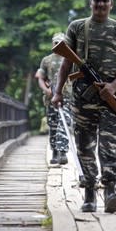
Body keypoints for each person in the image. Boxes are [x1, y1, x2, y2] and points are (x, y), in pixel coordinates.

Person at [51, 0, 116, 213]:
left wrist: (114, 85)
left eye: (104, 0)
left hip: (109, 97)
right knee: (84, 145)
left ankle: (110, 191)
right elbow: (66, 63)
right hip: (82, 97)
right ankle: (89, 193)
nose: (100, 4)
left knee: (108, 145)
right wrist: (57, 92)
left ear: (111, 3)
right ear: (91, 3)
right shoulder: (77, 27)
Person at [35, 32, 72, 165]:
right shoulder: (46, 60)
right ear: (52, 43)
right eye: (56, 43)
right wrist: (46, 90)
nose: (58, 45)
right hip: (51, 98)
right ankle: (55, 152)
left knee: (64, 123)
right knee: (53, 125)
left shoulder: (70, 58)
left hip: (67, 96)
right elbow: (40, 77)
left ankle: (63, 152)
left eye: (61, 43)